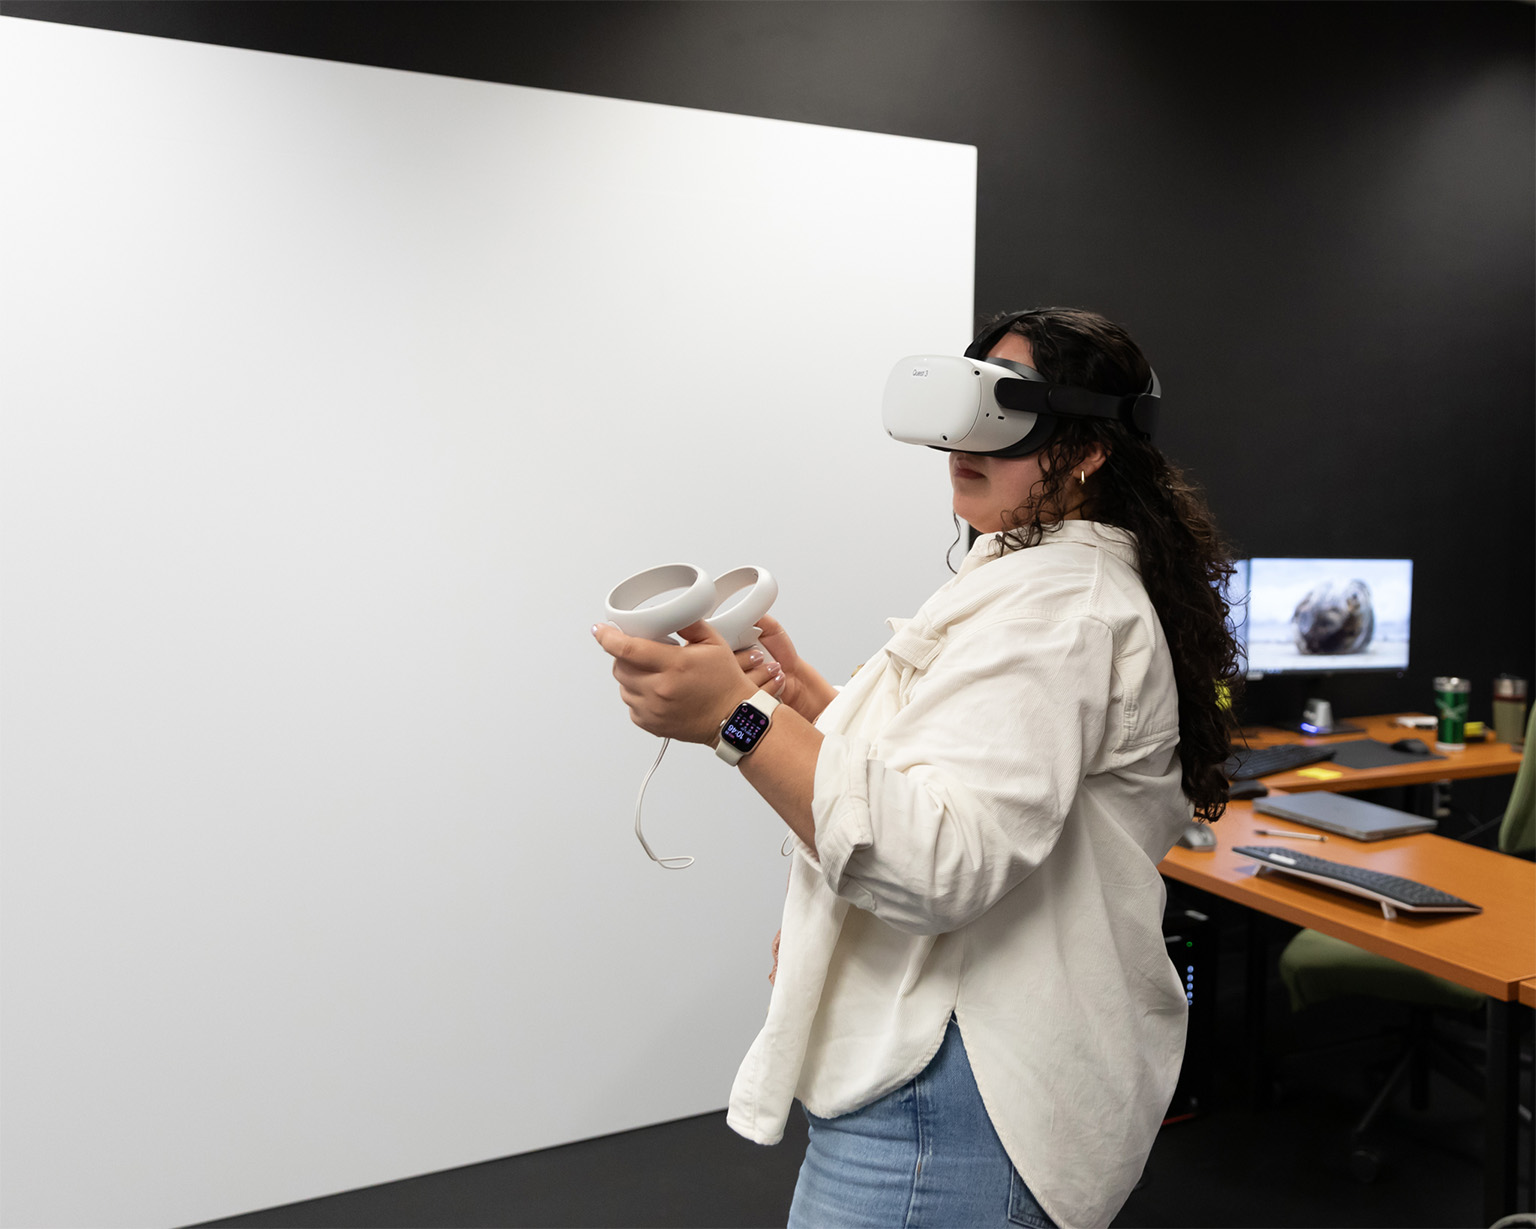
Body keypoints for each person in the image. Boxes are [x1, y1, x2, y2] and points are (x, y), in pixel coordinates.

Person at [592, 307, 1240, 1228]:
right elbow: (955, 769)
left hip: (956, 1093)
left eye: (1006, 414)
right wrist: (805, 703)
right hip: (946, 1075)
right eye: (967, 405)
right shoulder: (1028, 569)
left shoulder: (1060, 611)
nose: (966, 443)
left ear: (1090, 446)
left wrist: (733, 719)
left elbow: (941, 860)